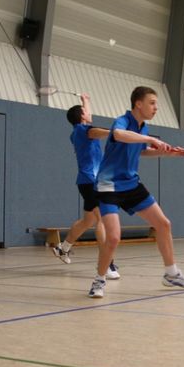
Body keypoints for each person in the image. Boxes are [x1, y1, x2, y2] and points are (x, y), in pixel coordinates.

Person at [89, 86, 184, 299]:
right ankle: (99, 280)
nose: (156, 108)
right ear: (138, 104)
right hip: (109, 185)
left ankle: (171, 274)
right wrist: (150, 139)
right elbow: (119, 135)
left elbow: (141, 151)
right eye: (152, 103)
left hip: (131, 184)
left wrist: (168, 154)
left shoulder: (143, 127)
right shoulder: (122, 121)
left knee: (163, 224)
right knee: (113, 237)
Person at [52, 94, 120, 280]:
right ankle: (106, 263)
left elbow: (90, 120)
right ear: (82, 116)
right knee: (103, 220)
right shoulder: (85, 131)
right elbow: (100, 132)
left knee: (88, 221)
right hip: (92, 181)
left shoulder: (77, 131)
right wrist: (118, 133)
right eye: (86, 111)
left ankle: (63, 248)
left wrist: (85, 100)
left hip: (87, 181)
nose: (89, 114)